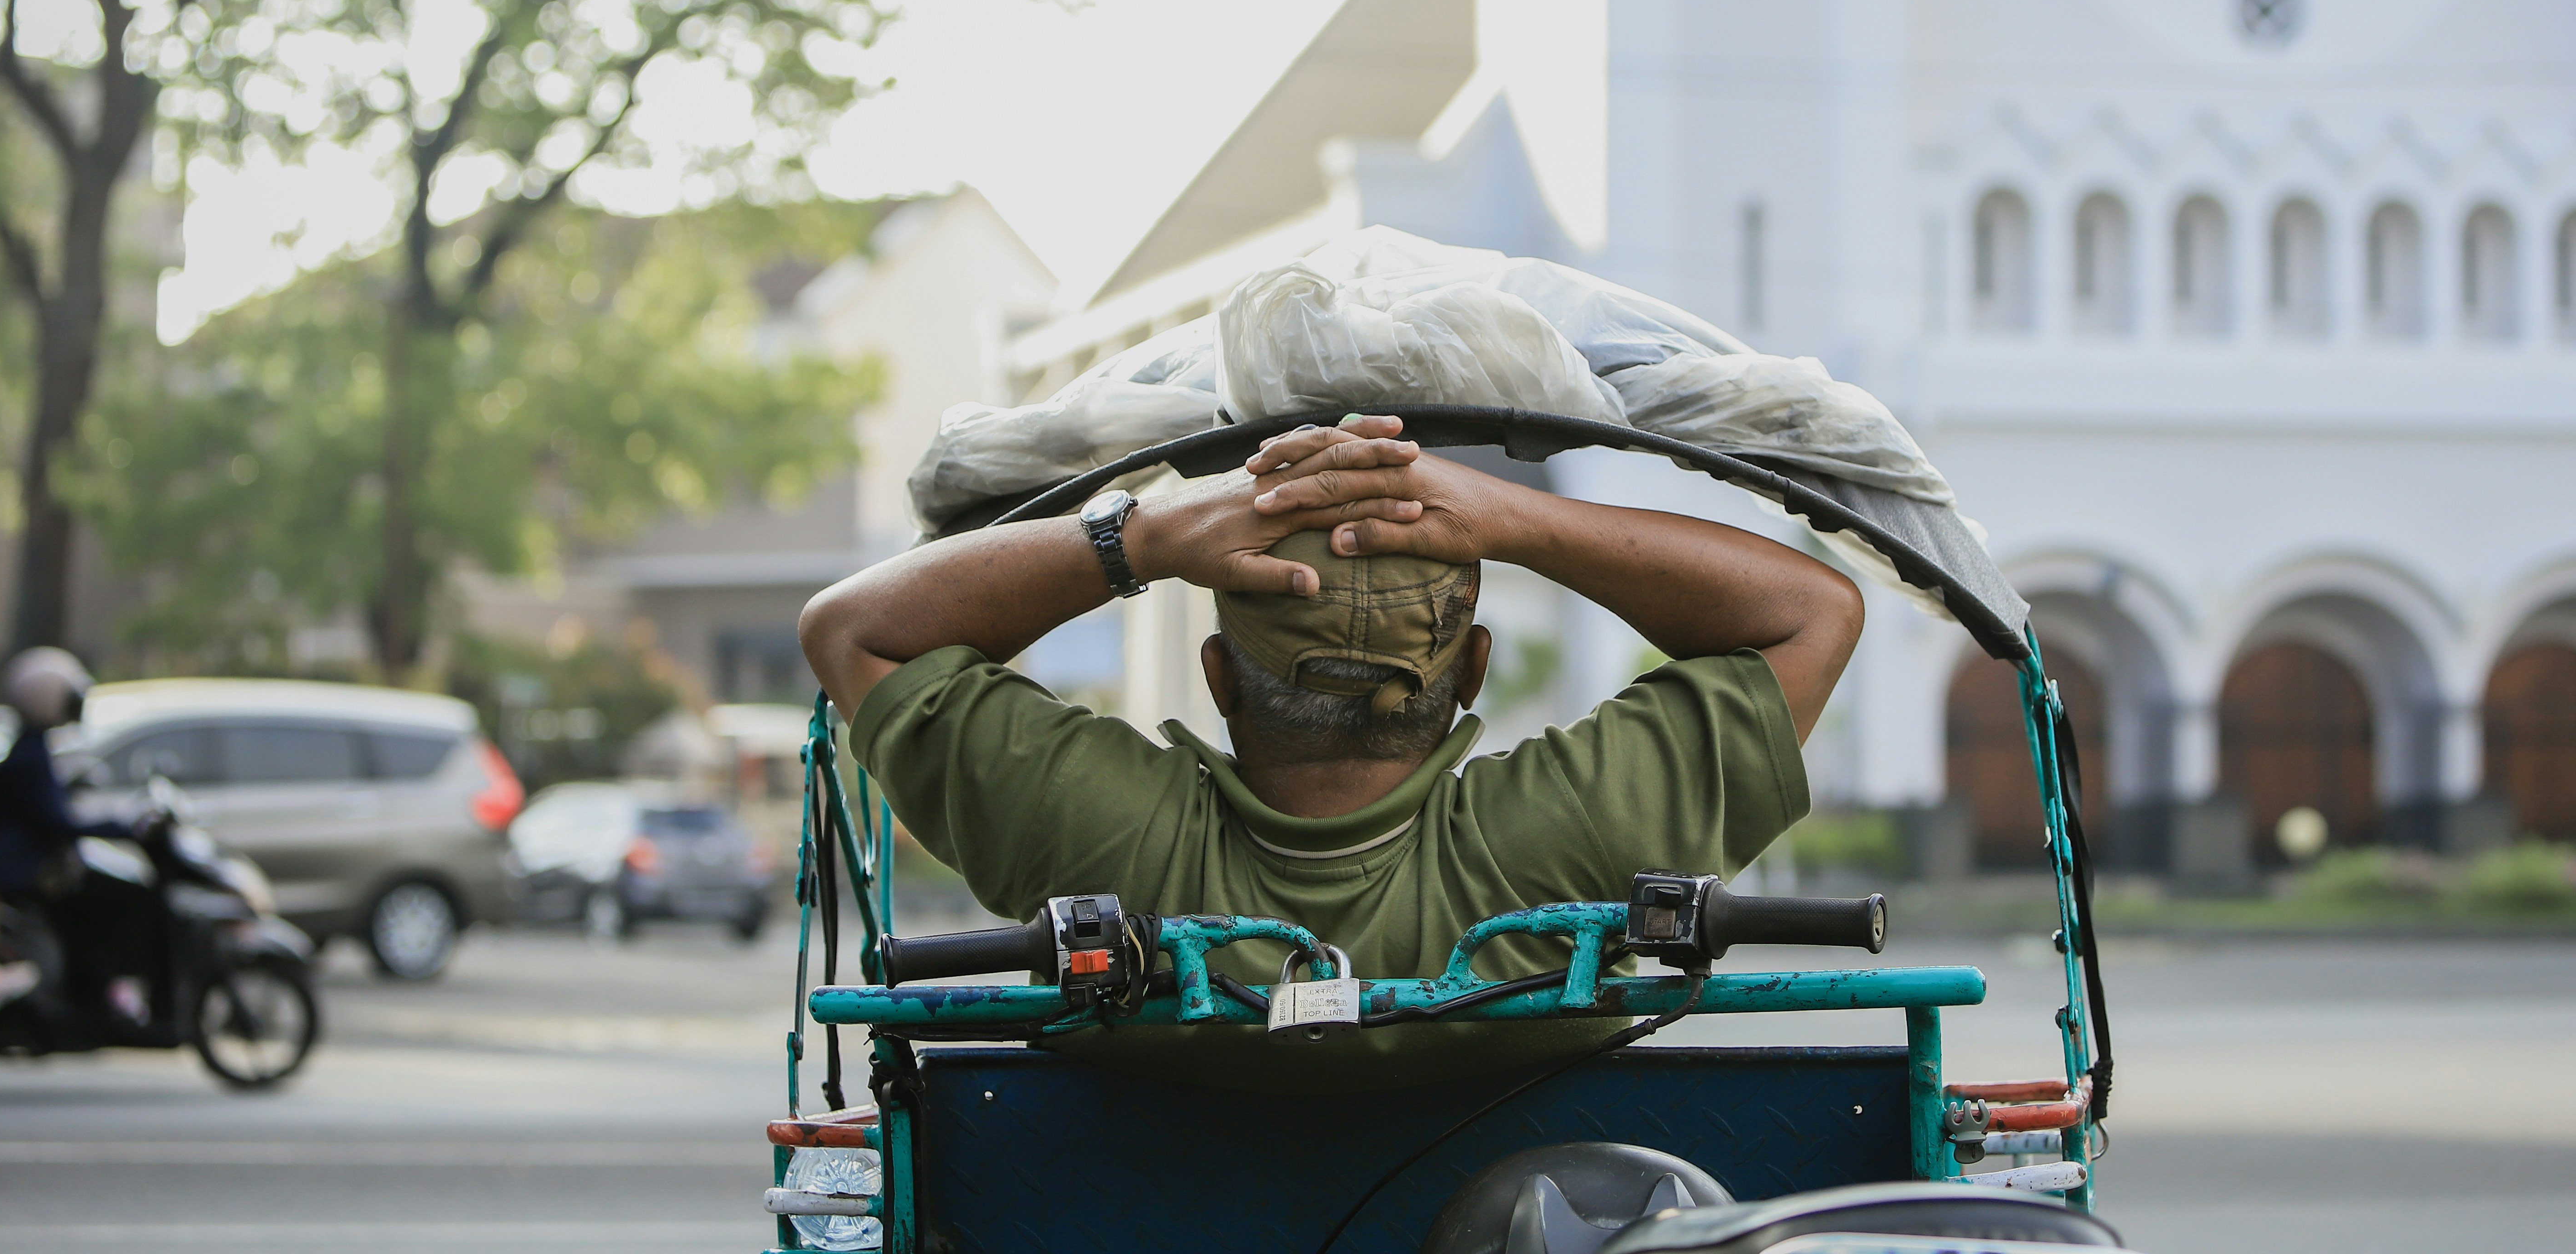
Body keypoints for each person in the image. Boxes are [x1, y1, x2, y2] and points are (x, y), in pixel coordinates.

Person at [798, 413, 1864, 1089]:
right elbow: (1811, 611)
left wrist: (1145, 539)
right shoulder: (1562, 837)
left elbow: (851, 628)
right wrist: (1517, 518)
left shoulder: (1100, 828)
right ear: (1474, 667)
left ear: (1219, 678)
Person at [0, 649, 152, 1024]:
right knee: (118, 896)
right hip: (22, 869)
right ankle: (105, 992)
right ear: (48, 697)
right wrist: (122, 827)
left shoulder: (32, 749)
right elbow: (55, 820)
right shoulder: (29, 755)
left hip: (27, 864)